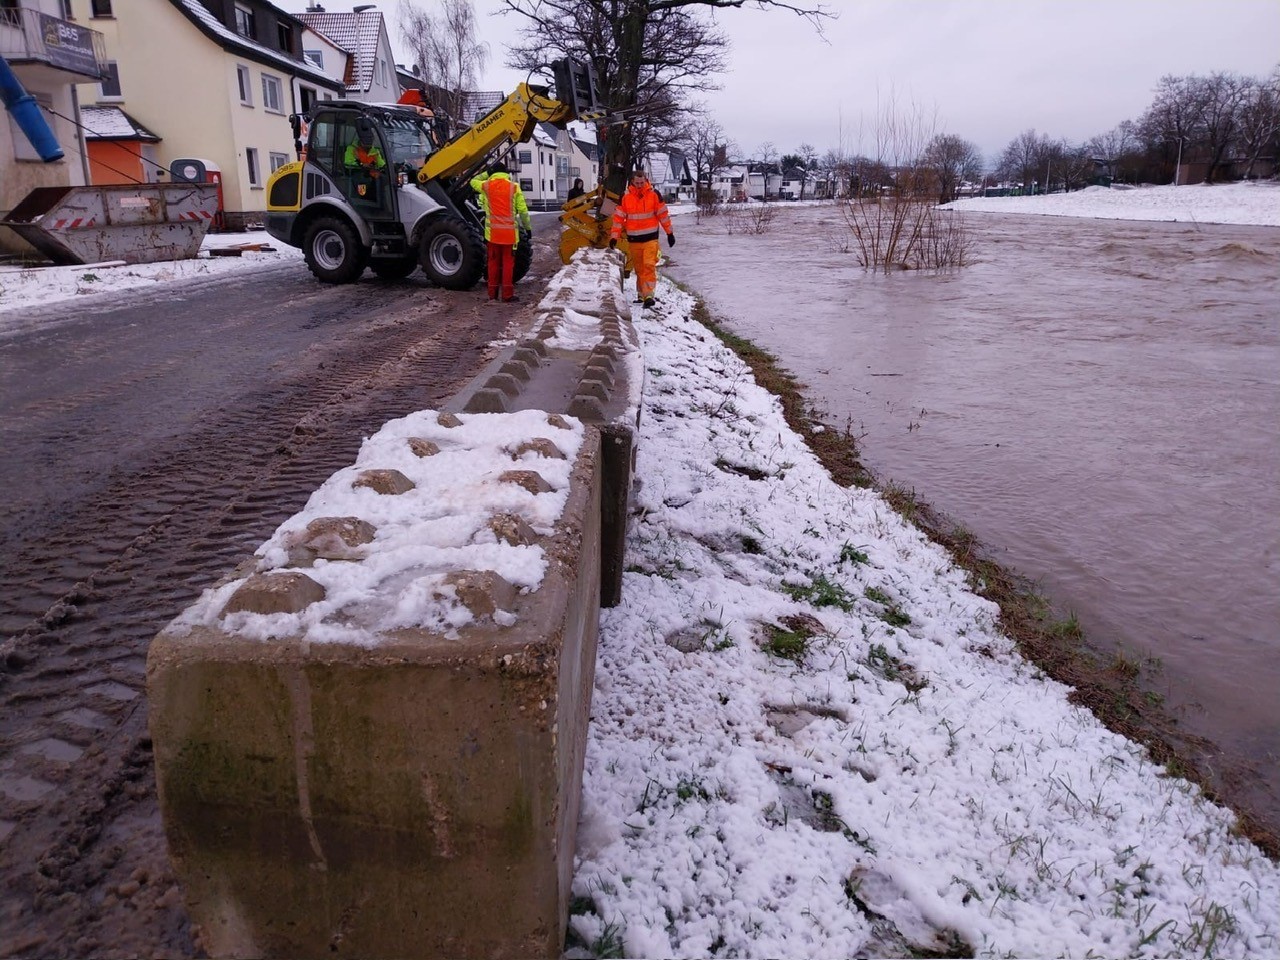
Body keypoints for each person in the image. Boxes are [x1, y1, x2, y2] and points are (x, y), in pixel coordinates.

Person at [609, 167, 674, 308]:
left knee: (648, 265)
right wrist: (614, 236)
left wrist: (670, 233)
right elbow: (618, 218)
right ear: (632, 182)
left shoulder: (654, 194)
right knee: (639, 269)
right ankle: (641, 294)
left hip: (650, 239)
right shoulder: (625, 197)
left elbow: (663, 215)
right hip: (634, 240)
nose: (639, 185)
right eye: (637, 183)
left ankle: (649, 295)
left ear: (646, 181)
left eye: (642, 183)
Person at [470, 160, 532, 303]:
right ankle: (507, 295)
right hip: (510, 235)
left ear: (493, 173)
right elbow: (523, 211)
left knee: (492, 263)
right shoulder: (514, 188)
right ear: (507, 173)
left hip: (492, 235)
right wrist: (527, 228)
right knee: (508, 265)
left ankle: (492, 294)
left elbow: (473, 181)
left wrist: (486, 173)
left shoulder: (486, 186)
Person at [344, 126, 386, 201]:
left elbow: (381, 163)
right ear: (361, 140)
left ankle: (378, 201)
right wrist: (361, 164)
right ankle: (362, 200)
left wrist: (388, 166)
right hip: (357, 172)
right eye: (366, 141)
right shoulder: (352, 148)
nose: (368, 145)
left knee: (383, 178)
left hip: (371, 173)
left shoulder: (375, 151)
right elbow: (348, 162)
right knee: (363, 180)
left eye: (371, 140)